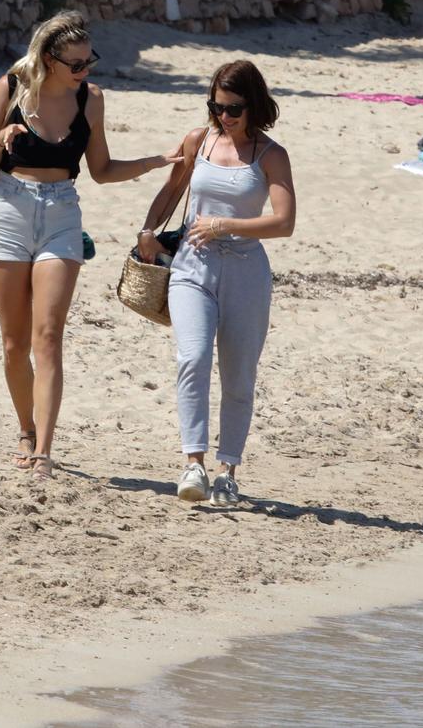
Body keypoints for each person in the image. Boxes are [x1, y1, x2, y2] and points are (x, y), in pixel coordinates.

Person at [0, 11, 183, 478]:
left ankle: (43, 449)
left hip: (62, 214)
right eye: (77, 63)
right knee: (13, 341)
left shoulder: (92, 99)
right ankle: (25, 428)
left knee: (48, 336)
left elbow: (101, 170)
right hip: (7, 209)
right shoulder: (12, 88)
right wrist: (2, 137)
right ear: (50, 57)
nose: (87, 70)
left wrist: (154, 162)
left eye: (90, 61)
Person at [135, 61, 296, 508]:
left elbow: (284, 222)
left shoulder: (271, 155)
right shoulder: (198, 140)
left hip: (246, 273)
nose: (223, 117)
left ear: (253, 105)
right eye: (216, 106)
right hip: (192, 267)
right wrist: (147, 229)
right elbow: (171, 192)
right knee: (193, 356)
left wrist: (226, 225)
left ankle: (227, 471)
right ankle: (193, 463)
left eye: (233, 109)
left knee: (239, 375)